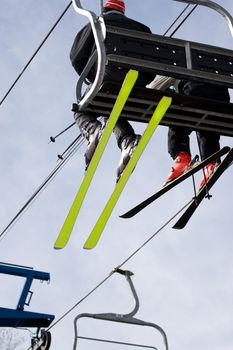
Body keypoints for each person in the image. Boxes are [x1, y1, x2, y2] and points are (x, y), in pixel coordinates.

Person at [70, 0, 155, 182]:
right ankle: (127, 140)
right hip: (136, 85)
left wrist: (91, 76)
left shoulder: (97, 22)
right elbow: (154, 64)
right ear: (122, 11)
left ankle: (91, 129)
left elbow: (76, 56)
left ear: (105, 8)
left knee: (81, 110)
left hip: (108, 79)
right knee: (112, 109)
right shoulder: (142, 29)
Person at [164, 80, 230, 188]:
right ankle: (210, 163)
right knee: (207, 127)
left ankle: (182, 157)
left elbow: (160, 81)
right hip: (221, 98)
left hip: (194, 93)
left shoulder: (182, 64)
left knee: (176, 117)